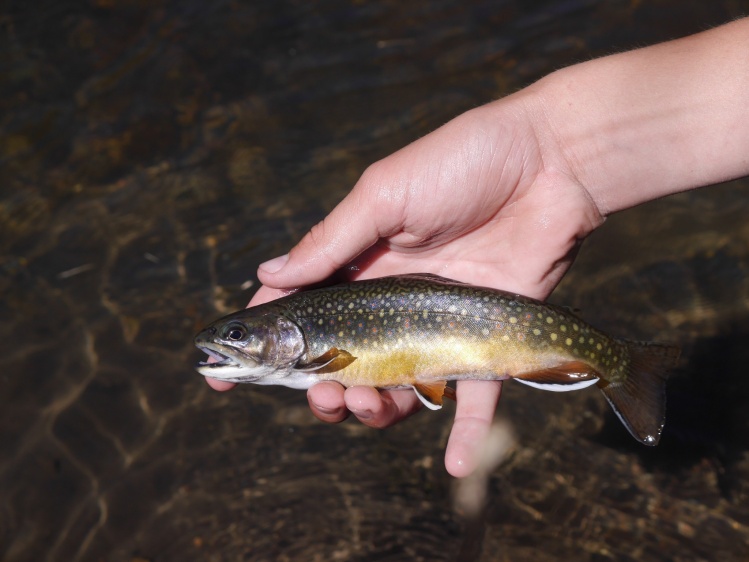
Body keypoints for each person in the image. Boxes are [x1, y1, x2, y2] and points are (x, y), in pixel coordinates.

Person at [206, 18, 749, 477]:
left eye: (237, 335)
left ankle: (626, 364)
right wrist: (553, 149)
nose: (225, 346)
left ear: (283, 333)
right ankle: (624, 362)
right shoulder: (312, 340)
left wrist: (550, 150)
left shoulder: (318, 350)